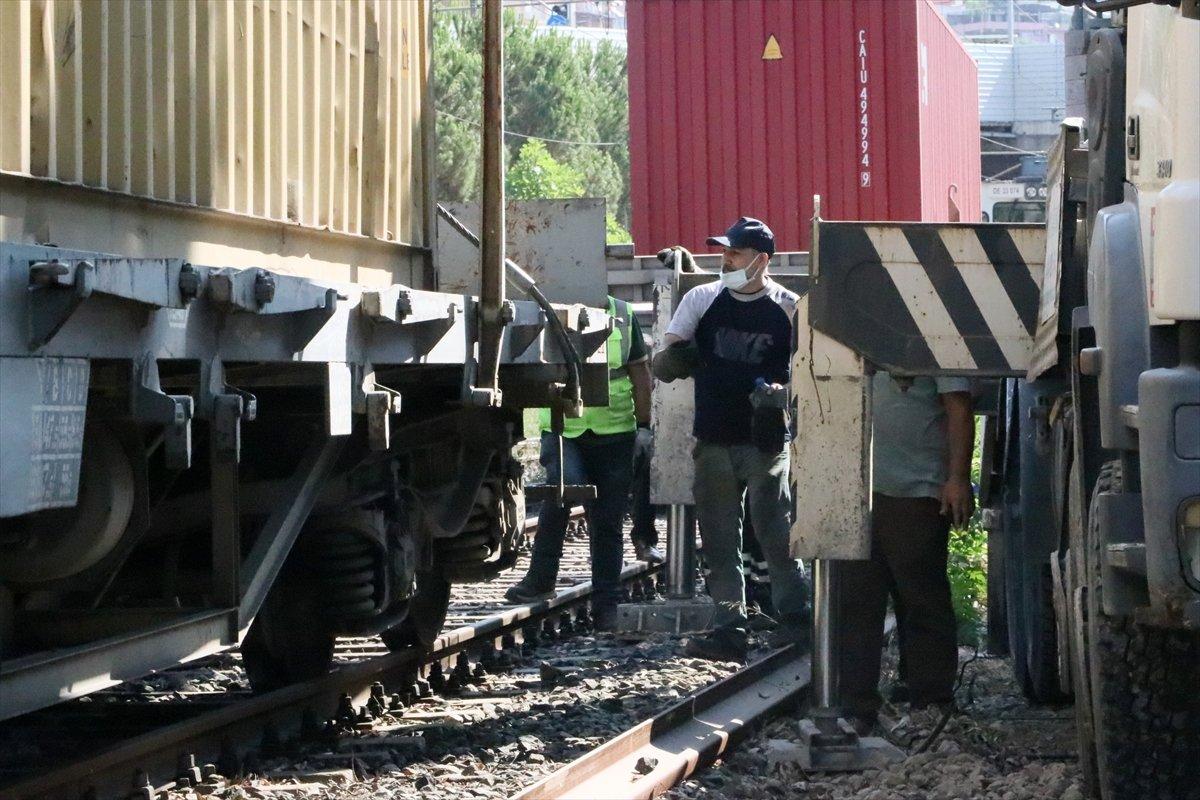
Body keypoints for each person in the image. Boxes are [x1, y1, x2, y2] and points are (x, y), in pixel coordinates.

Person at [655, 216, 810, 662]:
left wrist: (782, 393)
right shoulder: (702, 299)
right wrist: (674, 358)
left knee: (776, 533)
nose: (725, 259)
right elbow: (668, 355)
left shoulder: (788, 308)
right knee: (720, 540)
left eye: (735, 253)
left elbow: (808, 371)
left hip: (765, 442)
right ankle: (729, 627)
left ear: (761, 261)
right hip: (714, 439)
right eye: (724, 251)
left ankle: (797, 621)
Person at [837, 372, 975, 732]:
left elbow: (958, 406)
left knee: (922, 598)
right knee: (855, 601)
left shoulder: (933, 332)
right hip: (853, 489)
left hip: (917, 488)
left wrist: (957, 478)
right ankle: (855, 704)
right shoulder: (847, 331)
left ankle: (931, 701)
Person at [504, 295, 652, 631]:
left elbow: (640, 373)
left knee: (607, 520)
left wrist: (644, 427)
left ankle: (607, 605)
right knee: (560, 494)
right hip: (562, 429)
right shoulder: (545, 308)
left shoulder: (623, 314)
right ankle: (540, 580)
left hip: (615, 432)